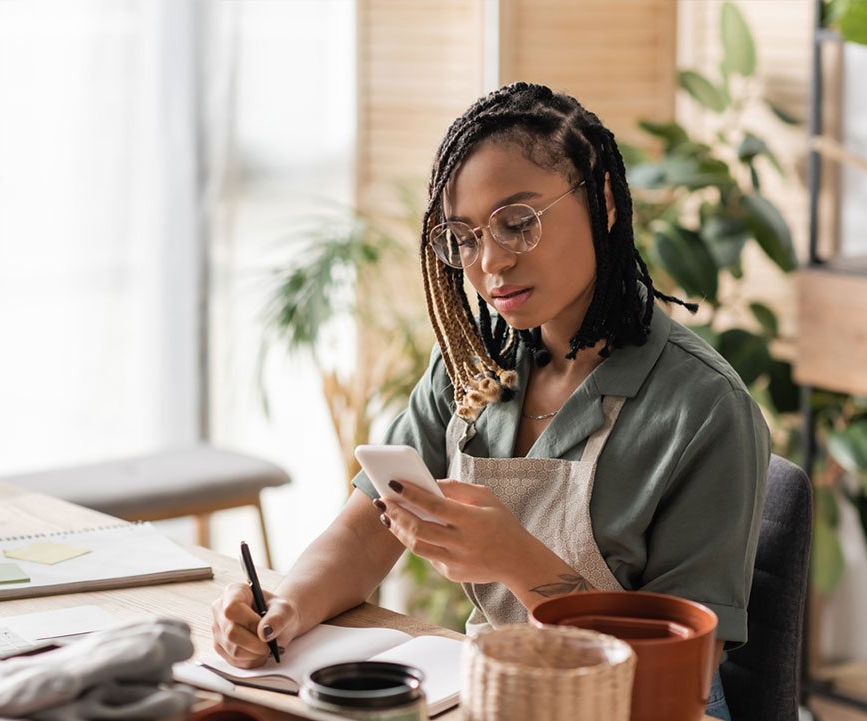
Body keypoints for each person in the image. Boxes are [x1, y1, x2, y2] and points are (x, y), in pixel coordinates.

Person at [211, 83, 768, 721]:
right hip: (502, 692)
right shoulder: (472, 368)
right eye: (465, 237)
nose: (491, 262)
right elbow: (367, 534)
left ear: (604, 203)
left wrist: (513, 558)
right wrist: (287, 606)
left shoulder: (704, 408)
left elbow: (672, 682)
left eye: (518, 223)